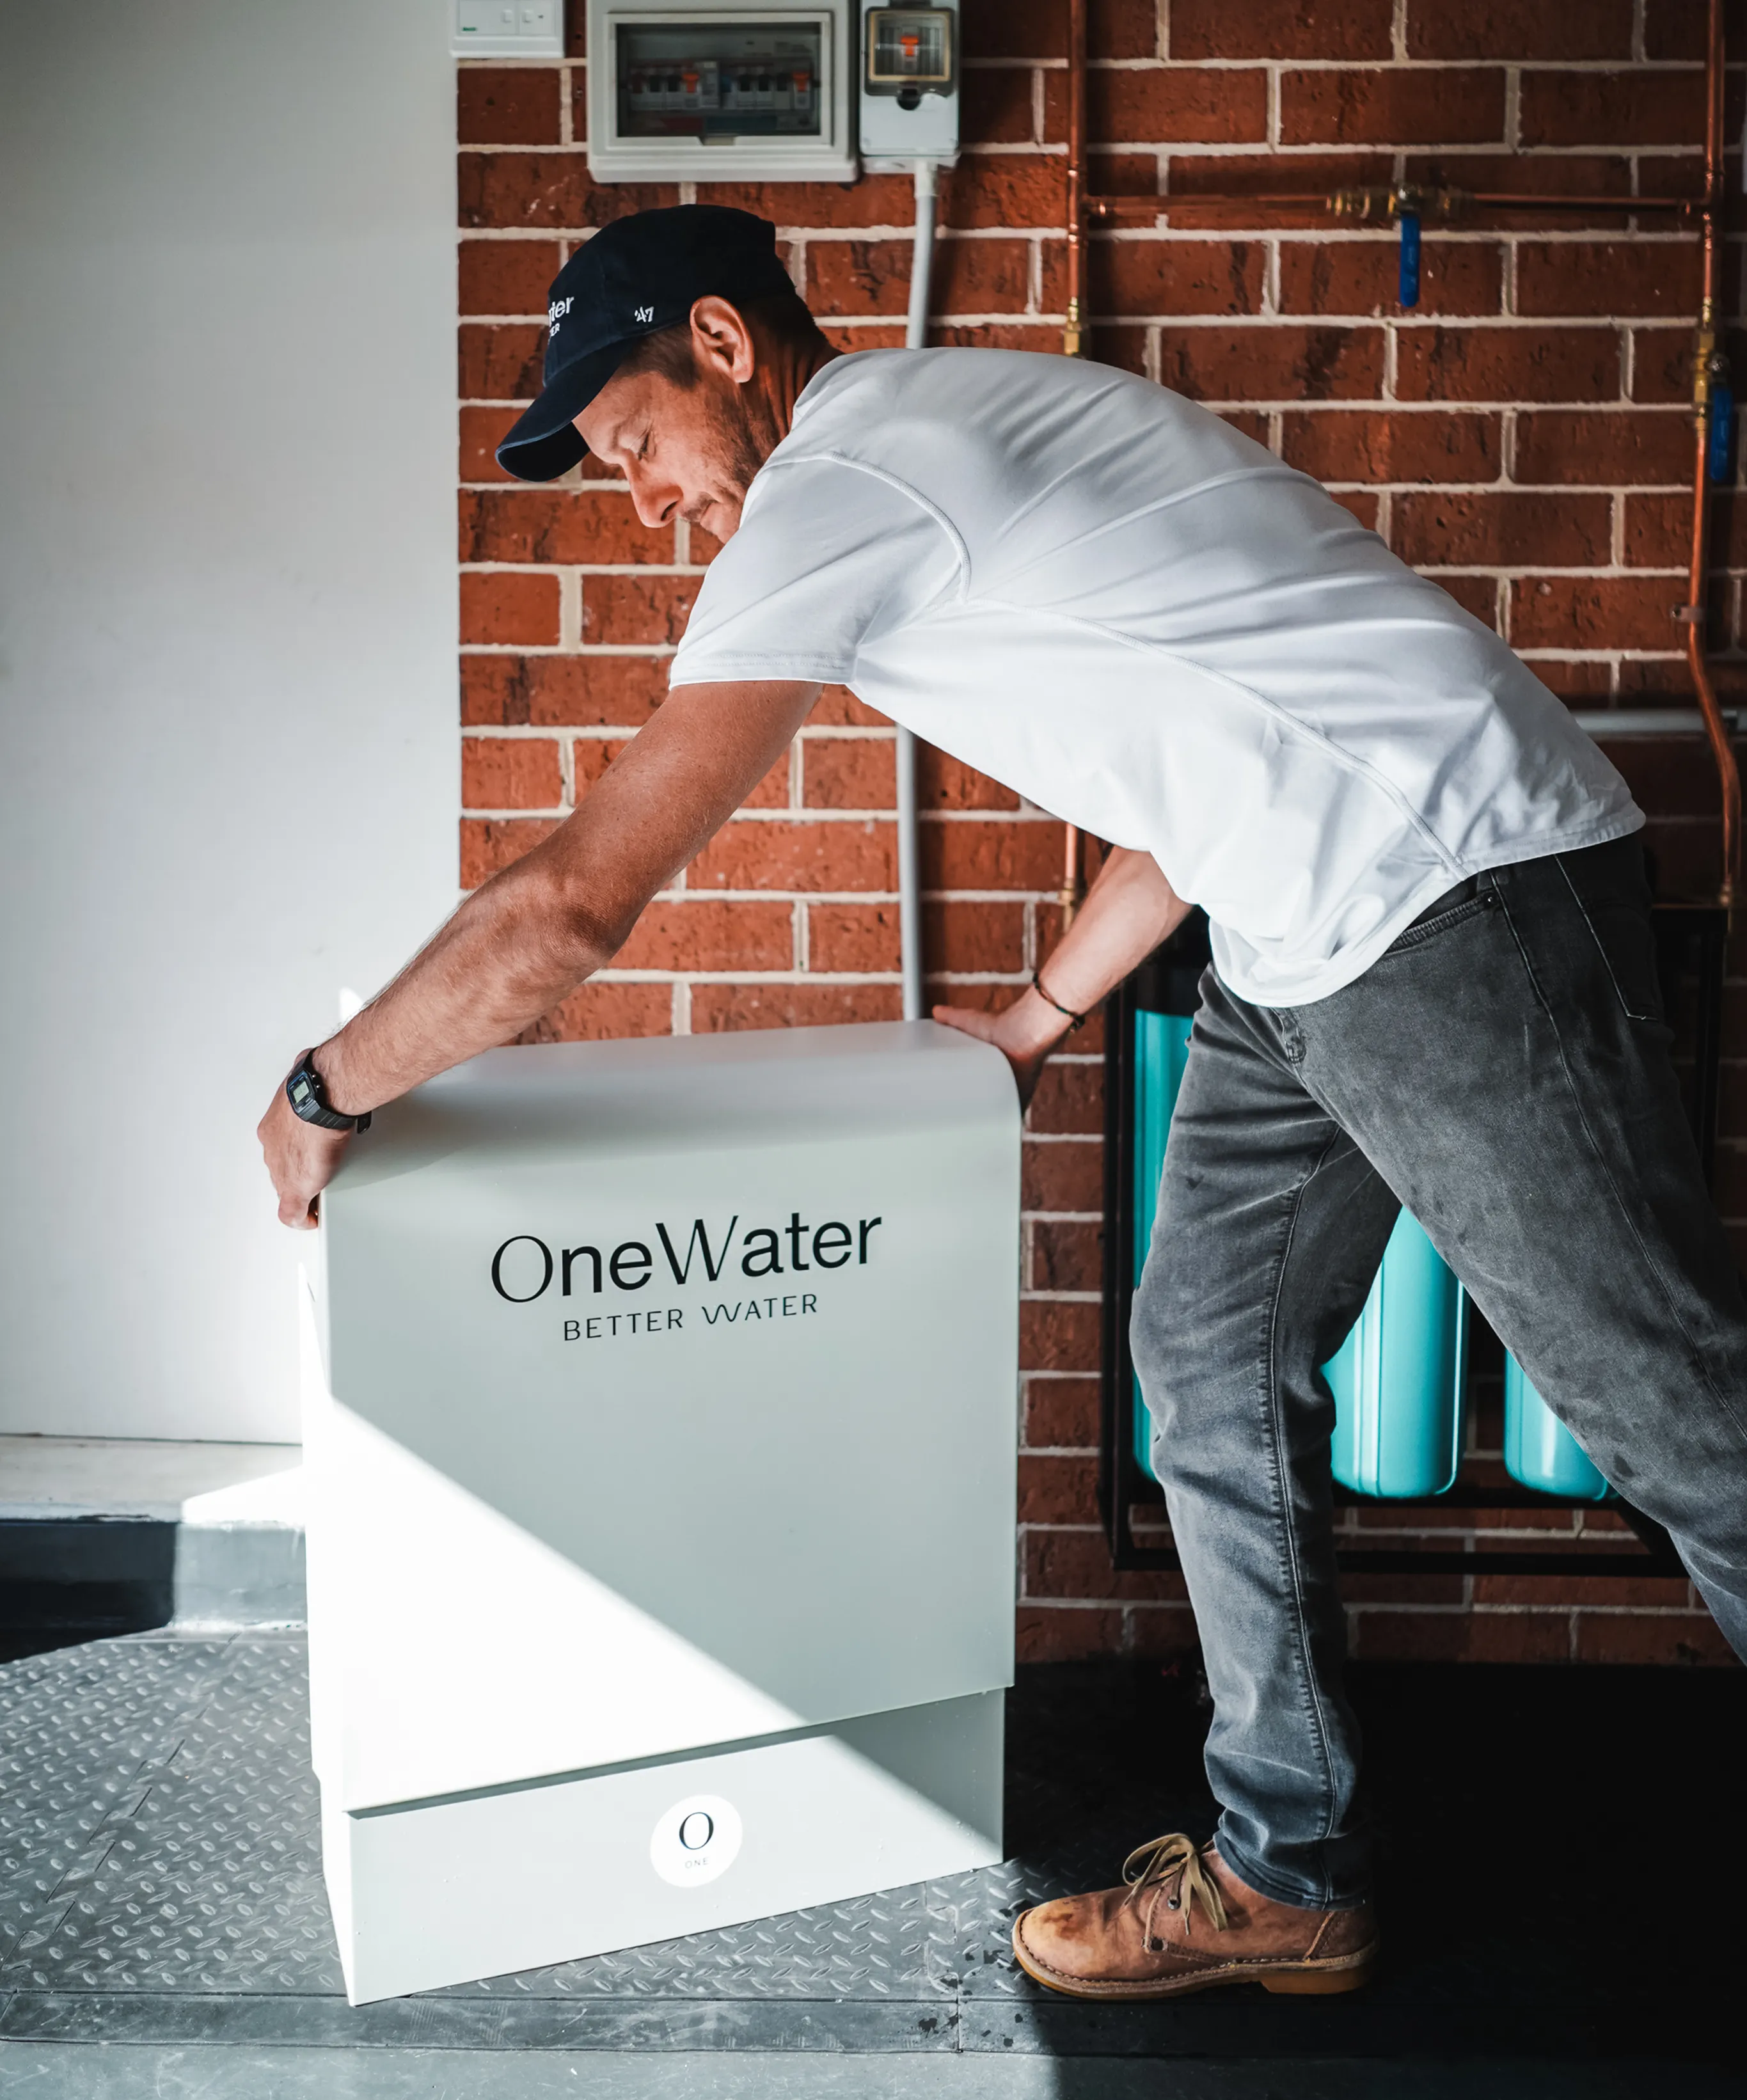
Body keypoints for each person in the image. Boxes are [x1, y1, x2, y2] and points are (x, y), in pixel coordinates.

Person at [259, 205, 1747, 2001]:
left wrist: (326, 1084)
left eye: (637, 442)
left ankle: (1297, 1854)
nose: (644, 499)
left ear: (724, 347)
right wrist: (1039, 1015)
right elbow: (1190, 758)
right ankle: (1292, 1868)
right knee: (1203, 1357)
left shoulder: (845, 480)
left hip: (1451, 897)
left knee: (1666, 1412)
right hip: (1297, 924)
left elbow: (578, 900)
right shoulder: (943, 439)